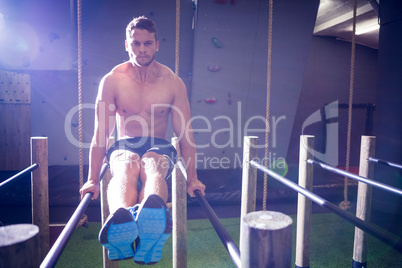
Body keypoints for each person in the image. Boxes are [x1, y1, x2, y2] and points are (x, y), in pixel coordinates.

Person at [79, 16, 206, 264]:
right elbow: (101, 134)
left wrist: (193, 177)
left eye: (147, 43)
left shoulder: (173, 83)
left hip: (159, 145)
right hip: (124, 144)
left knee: (151, 163)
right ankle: (120, 223)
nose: (142, 49)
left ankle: (152, 224)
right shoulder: (112, 80)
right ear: (127, 44)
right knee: (126, 164)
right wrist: (92, 179)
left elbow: (185, 135)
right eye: (136, 43)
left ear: (157, 45)